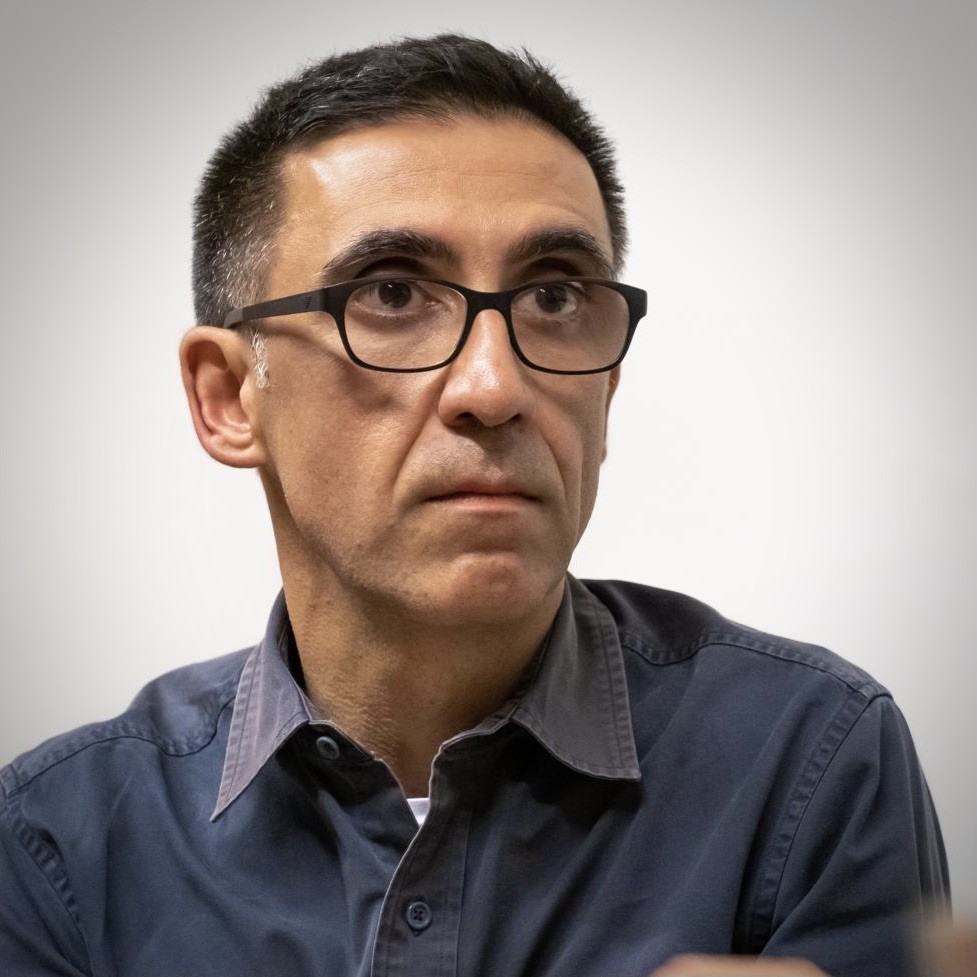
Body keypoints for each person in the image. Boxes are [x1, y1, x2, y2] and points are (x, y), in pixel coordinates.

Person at [0, 34, 949, 977]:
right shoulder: (58, 844)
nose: (494, 387)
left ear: (607, 387)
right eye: (391, 293)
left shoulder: (810, 757)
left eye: (555, 297)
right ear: (228, 396)